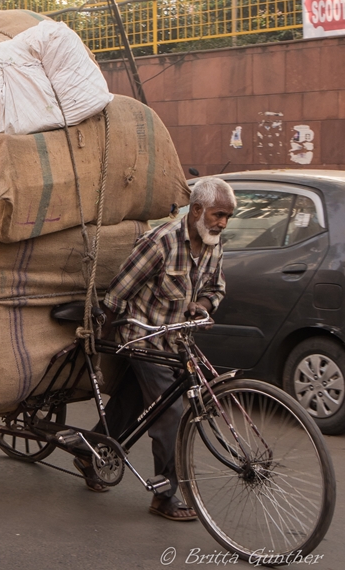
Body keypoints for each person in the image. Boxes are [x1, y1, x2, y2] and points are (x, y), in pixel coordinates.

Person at [74, 176, 236, 520]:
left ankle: (88, 451)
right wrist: (103, 343)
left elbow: (217, 288)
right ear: (196, 210)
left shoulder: (213, 244)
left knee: (132, 404)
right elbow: (118, 292)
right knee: (170, 415)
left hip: (176, 340)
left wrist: (204, 303)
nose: (222, 223)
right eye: (218, 214)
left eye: (227, 217)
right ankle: (163, 496)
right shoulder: (160, 242)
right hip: (141, 339)